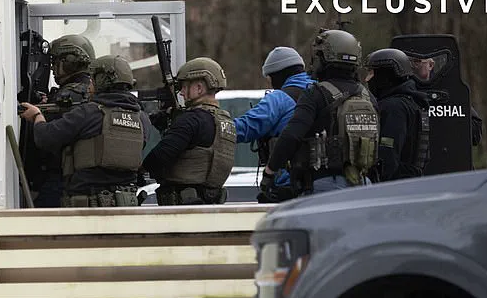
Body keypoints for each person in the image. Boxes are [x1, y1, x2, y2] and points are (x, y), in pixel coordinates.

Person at [19, 55, 151, 207]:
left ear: (101, 81)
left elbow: (45, 137)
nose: (89, 85)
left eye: (92, 80)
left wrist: (37, 115)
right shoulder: (142, 119)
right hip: (125, 207)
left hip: (85, 208)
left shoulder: (88, 113)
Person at [261, 29, 379, 196]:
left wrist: (269, 171)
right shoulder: (368, 96)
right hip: (364, 184)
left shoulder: (315, 94)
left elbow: (291, 135)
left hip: (324, 186)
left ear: (325, 59)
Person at [142, 57, 236, 205]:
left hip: (183, 207)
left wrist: (139, 171)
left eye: (185, 87)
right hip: (210, 205)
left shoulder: (192, 119)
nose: (181, 93)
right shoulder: (225, 121)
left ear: (199, 88)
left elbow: (161, 155)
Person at [234, 47, 315, 203]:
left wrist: (216, 126)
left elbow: (246, 127)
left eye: (270, 78)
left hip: (289, 188)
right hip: (323, 186)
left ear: (277, 75)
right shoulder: (321, 91)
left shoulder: (279, 99)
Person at [28, 34, 96, 207]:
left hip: (60, 177)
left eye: (56, 62)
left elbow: (47, 137)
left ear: (70, 62)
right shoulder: (89, 90)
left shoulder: (70, 94)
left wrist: (37, 115)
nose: (52, 68)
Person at [366, 48, 431, 181]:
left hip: (394, 185)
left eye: (372, 73)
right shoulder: (413, 102)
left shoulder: (394, 107)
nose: (366, 79)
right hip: (410, 182)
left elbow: (387, 156)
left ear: (385, 74)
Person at [408, 54, 483, 147]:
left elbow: (475, 134)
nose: (412, 66)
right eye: (409, 61)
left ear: (430, 65)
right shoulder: (402, 91)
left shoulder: (447, 92)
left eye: (417, 61)